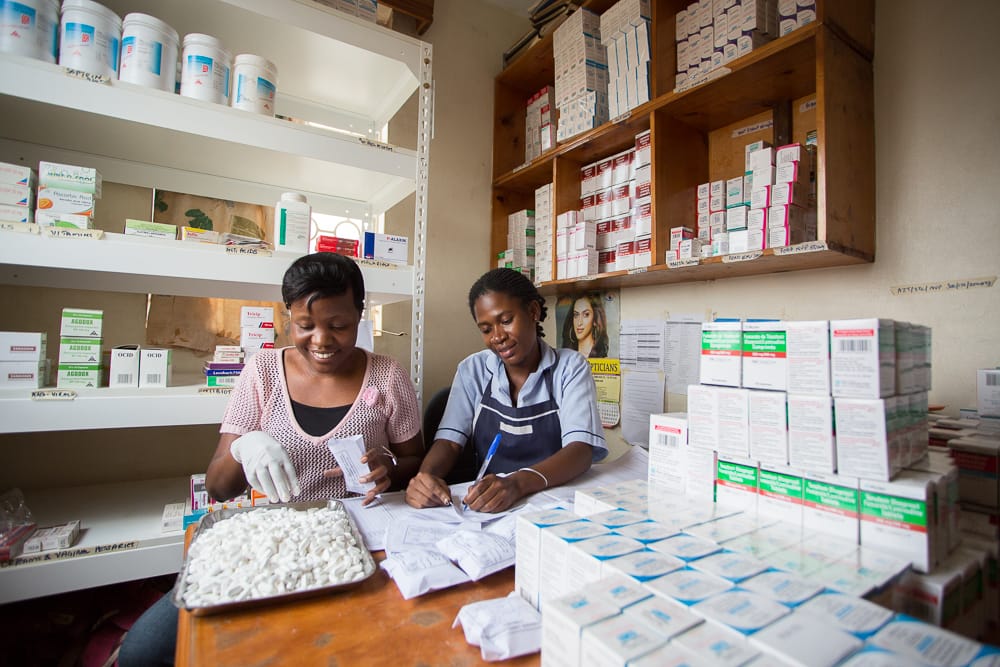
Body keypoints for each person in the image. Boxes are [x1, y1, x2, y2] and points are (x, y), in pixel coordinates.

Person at [119, 252, 424, 666]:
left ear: (360, 315)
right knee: (144, 650)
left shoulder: (388, 375)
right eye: (306, 326)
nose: (322, 340)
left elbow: (415, 461)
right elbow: (219, 486)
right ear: (287, 318)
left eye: (339, 326)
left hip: (361, 537)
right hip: (272, 539)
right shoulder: (262, 372)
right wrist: (244, 447)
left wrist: (388, 468)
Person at [405, 268, 607, 514]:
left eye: (506, 320)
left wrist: (517, 484)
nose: (498, 337)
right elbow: (449, 443)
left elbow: (580, 451)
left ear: (533, 312)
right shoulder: (473, 370)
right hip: (491, 505)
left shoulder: (569, 368)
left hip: (555, 502)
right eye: (486, 329)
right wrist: (425, 478)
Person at [561, 293, 609, 358]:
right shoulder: (566, 356)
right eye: (576, 315)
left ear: (595, 320)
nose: (579, 322)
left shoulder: (602, 358)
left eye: (586, 314)